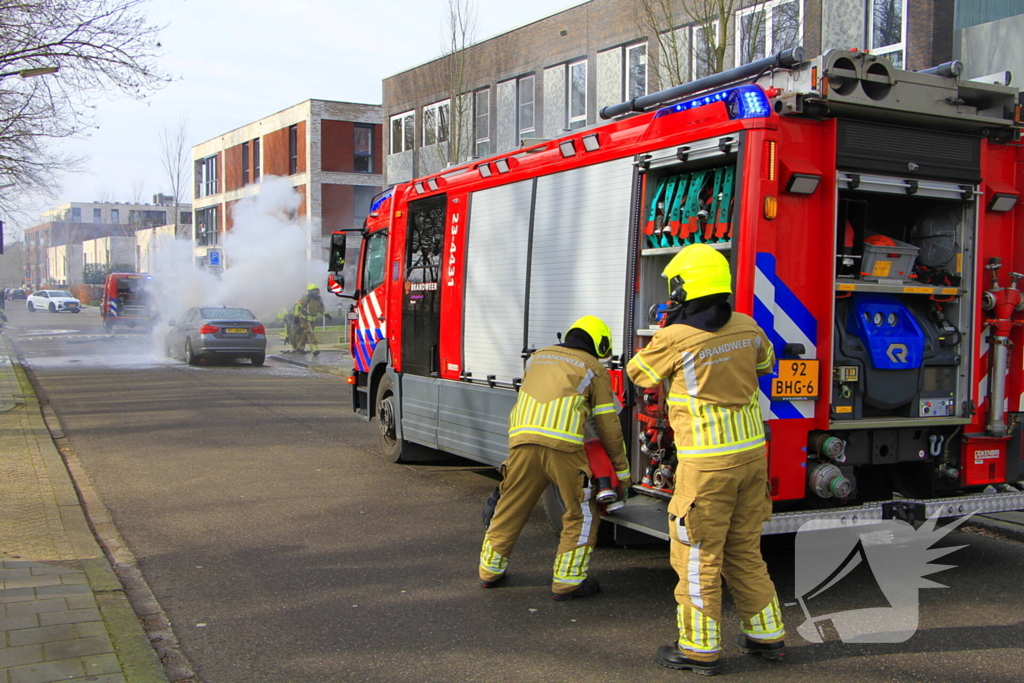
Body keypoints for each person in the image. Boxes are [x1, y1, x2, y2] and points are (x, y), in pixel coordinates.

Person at [626, 244, 784, 675]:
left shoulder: (675, 337)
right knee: (745, 549)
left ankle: (698, 647)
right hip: (752, 458)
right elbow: (767, 362)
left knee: (696, 553)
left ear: (683, 289)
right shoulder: (748, 326)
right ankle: (766, 635)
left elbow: (638, 375)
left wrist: (669, 326)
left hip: (707, 467)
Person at [478, 316, 630, 600]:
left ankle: (489, 570)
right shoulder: (594, 368)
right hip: (564, 446)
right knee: (580, 512)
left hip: (522, 441)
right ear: (600, 343)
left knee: (511, 506)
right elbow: (608, 425)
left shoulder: (536, 358)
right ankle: (568, 581)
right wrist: (621, 472)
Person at [291, 284, 332, 355]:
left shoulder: (318, 299)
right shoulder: (305, 298)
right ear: (310, 291)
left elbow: (320, 309)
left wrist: (326, 314)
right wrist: (296, 316)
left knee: (306, 334)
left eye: (316, 291)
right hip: (305, 319)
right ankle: (314, 349)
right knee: (310, 333)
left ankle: (300, 347)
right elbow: (297, 306)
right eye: (314, 291)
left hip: (313, 320)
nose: (316, 292)